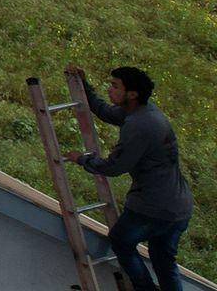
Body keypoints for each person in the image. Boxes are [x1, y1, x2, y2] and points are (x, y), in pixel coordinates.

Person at [64, 64, 193, 291]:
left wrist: (81, 159)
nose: (109, 90)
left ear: (132, 94)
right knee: (164, 260)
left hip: (152, 206)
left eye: (115, 86)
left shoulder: (140, 126)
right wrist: (84, 85)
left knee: (121, 240)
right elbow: (105, 111)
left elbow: (115, 167)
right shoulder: (142, 112)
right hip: (178, 207)